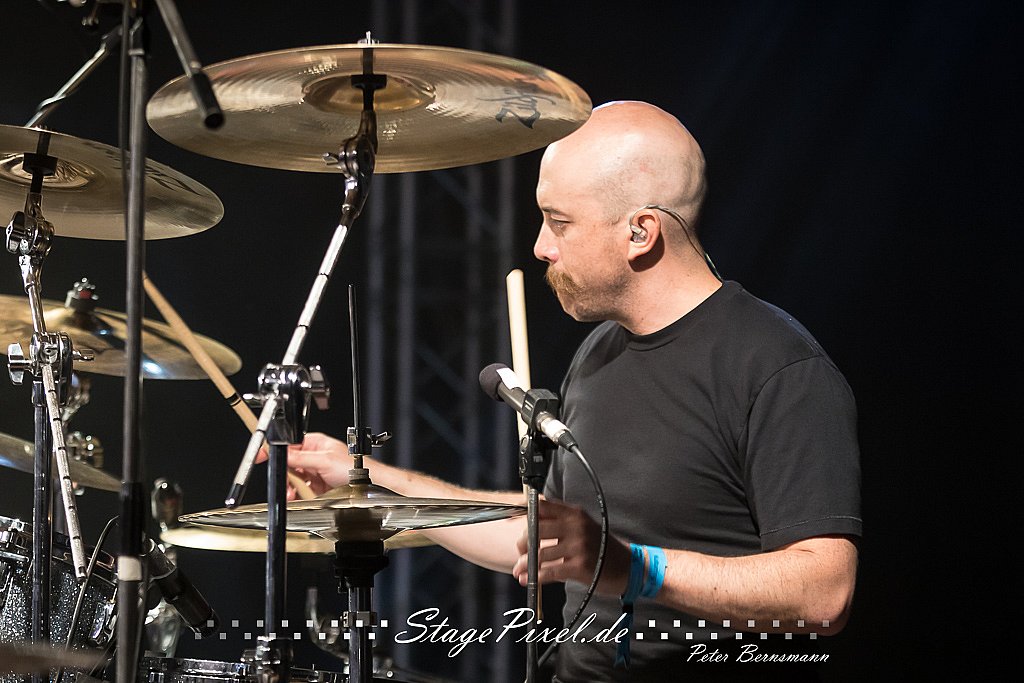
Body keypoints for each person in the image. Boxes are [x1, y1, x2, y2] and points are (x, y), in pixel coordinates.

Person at [274, 101, 861, 682]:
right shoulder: (600, 351)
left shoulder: (779, 367)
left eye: (559, 222)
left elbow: (824, 594)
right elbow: (543, 537)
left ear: (640, 232)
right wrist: (372, 485)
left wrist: (632, 568)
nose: (541, 246)